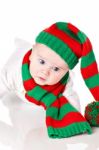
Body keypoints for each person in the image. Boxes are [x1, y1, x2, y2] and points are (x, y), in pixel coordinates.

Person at [0, 22, 99, 138]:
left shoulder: (65, 82)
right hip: (18, 93)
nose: (45, 72)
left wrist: (76, 119)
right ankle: (21, 45)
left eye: (56, 69)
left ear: (66, 71)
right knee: (12, 138)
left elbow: (71, 99)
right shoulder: (13, 70)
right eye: (42, 62)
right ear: (31, 55)